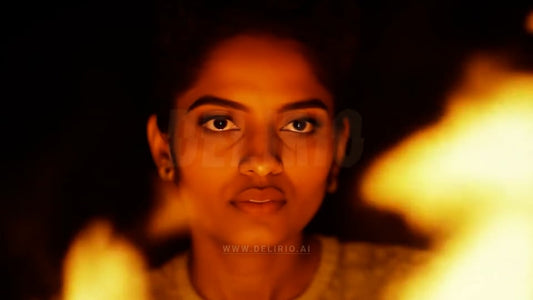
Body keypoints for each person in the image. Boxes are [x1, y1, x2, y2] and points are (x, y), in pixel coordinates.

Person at [146, 4, 427, 299]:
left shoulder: (438, 285)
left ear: (338, 149)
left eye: (299, 125)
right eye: (220, 123)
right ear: (165, 151)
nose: (263, 162)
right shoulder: (113, 290)